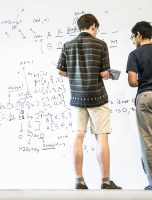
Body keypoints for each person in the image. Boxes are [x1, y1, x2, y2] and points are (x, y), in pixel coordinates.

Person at [57, 13, 122, 190]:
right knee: (101, 136)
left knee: (78, 136)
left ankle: (79, 180)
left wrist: (78, 74)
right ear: (93, 26)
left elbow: (61, 71)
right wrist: (110, 75)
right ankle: (106, 182)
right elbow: (103, 73)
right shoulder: (100, 44)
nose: (96, 32)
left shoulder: (67, 45)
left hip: (77, 98)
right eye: (96, 29)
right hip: (97, 97)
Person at [126, 21, 152, 190]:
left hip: (145, 96)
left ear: (139, 35)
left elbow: (132, 81)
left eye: (133, 36)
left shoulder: (134, 54)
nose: (133, 39)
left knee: (148, 141)